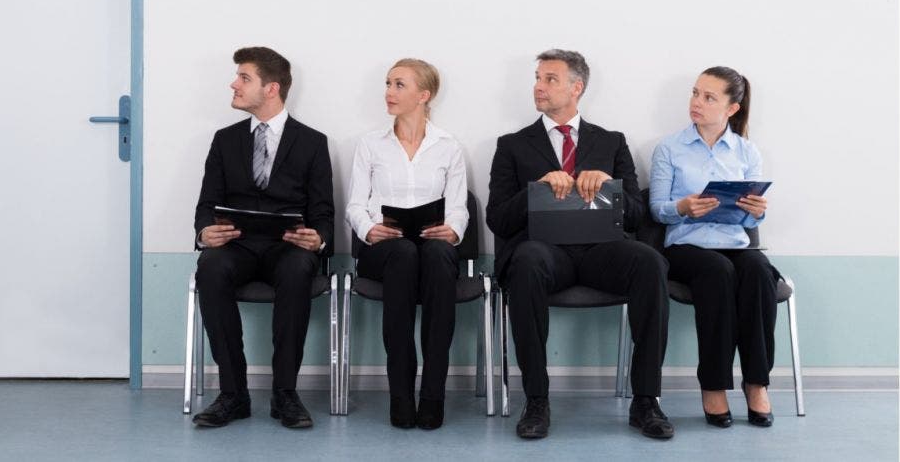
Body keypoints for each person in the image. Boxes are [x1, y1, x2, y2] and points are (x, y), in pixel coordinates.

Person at [487, 49, 673, 440]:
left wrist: (610, 187)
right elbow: (497, 219)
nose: (539, 86)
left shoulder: (612, 141)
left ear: (577, 87)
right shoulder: (512, 145)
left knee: (650, 262)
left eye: (550, 79)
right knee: (526, 262)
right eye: (537, 77)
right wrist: (534, 190)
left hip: (601, 250)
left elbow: (639, 216)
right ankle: (536, 398)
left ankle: (646, 400)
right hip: (544, 251)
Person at [192, 46, 334, 429]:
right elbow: (206, 204)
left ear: (271, 88)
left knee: (298, 269)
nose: (233, 84)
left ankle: (284, 394)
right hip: (236, 246)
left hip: (287, 248)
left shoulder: (312, 142)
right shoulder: (225, 140)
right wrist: (206, 231)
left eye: (244, 78)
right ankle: (233, 394)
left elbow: (323, 212)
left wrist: (317, 238)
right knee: (210, 267)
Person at [649, 66, 779, 428]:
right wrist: (683, 207)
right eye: (695, 93)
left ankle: (756, 382)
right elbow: (657, 210)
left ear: (731, 108)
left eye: (708, 97)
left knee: (758, 272)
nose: (696, 103)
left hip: (735, 245)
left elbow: (751, 223)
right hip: (686, 249)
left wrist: (756, 213)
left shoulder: (746, 152)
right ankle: (714, 385)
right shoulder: (669, 148)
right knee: (717, 272)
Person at [345, 58, 468, 430]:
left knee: (438, 253)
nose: (389, 92)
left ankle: (432, 395)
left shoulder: (449, 146)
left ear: (423, 95)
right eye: (387, 84)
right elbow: (354, 204)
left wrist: (453, 230)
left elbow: (459, 206)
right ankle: (400, 394)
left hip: (431, 247)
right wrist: (369, 228)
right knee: (402, 251)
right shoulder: (370, 144)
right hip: (385, 249)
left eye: (399, 85)